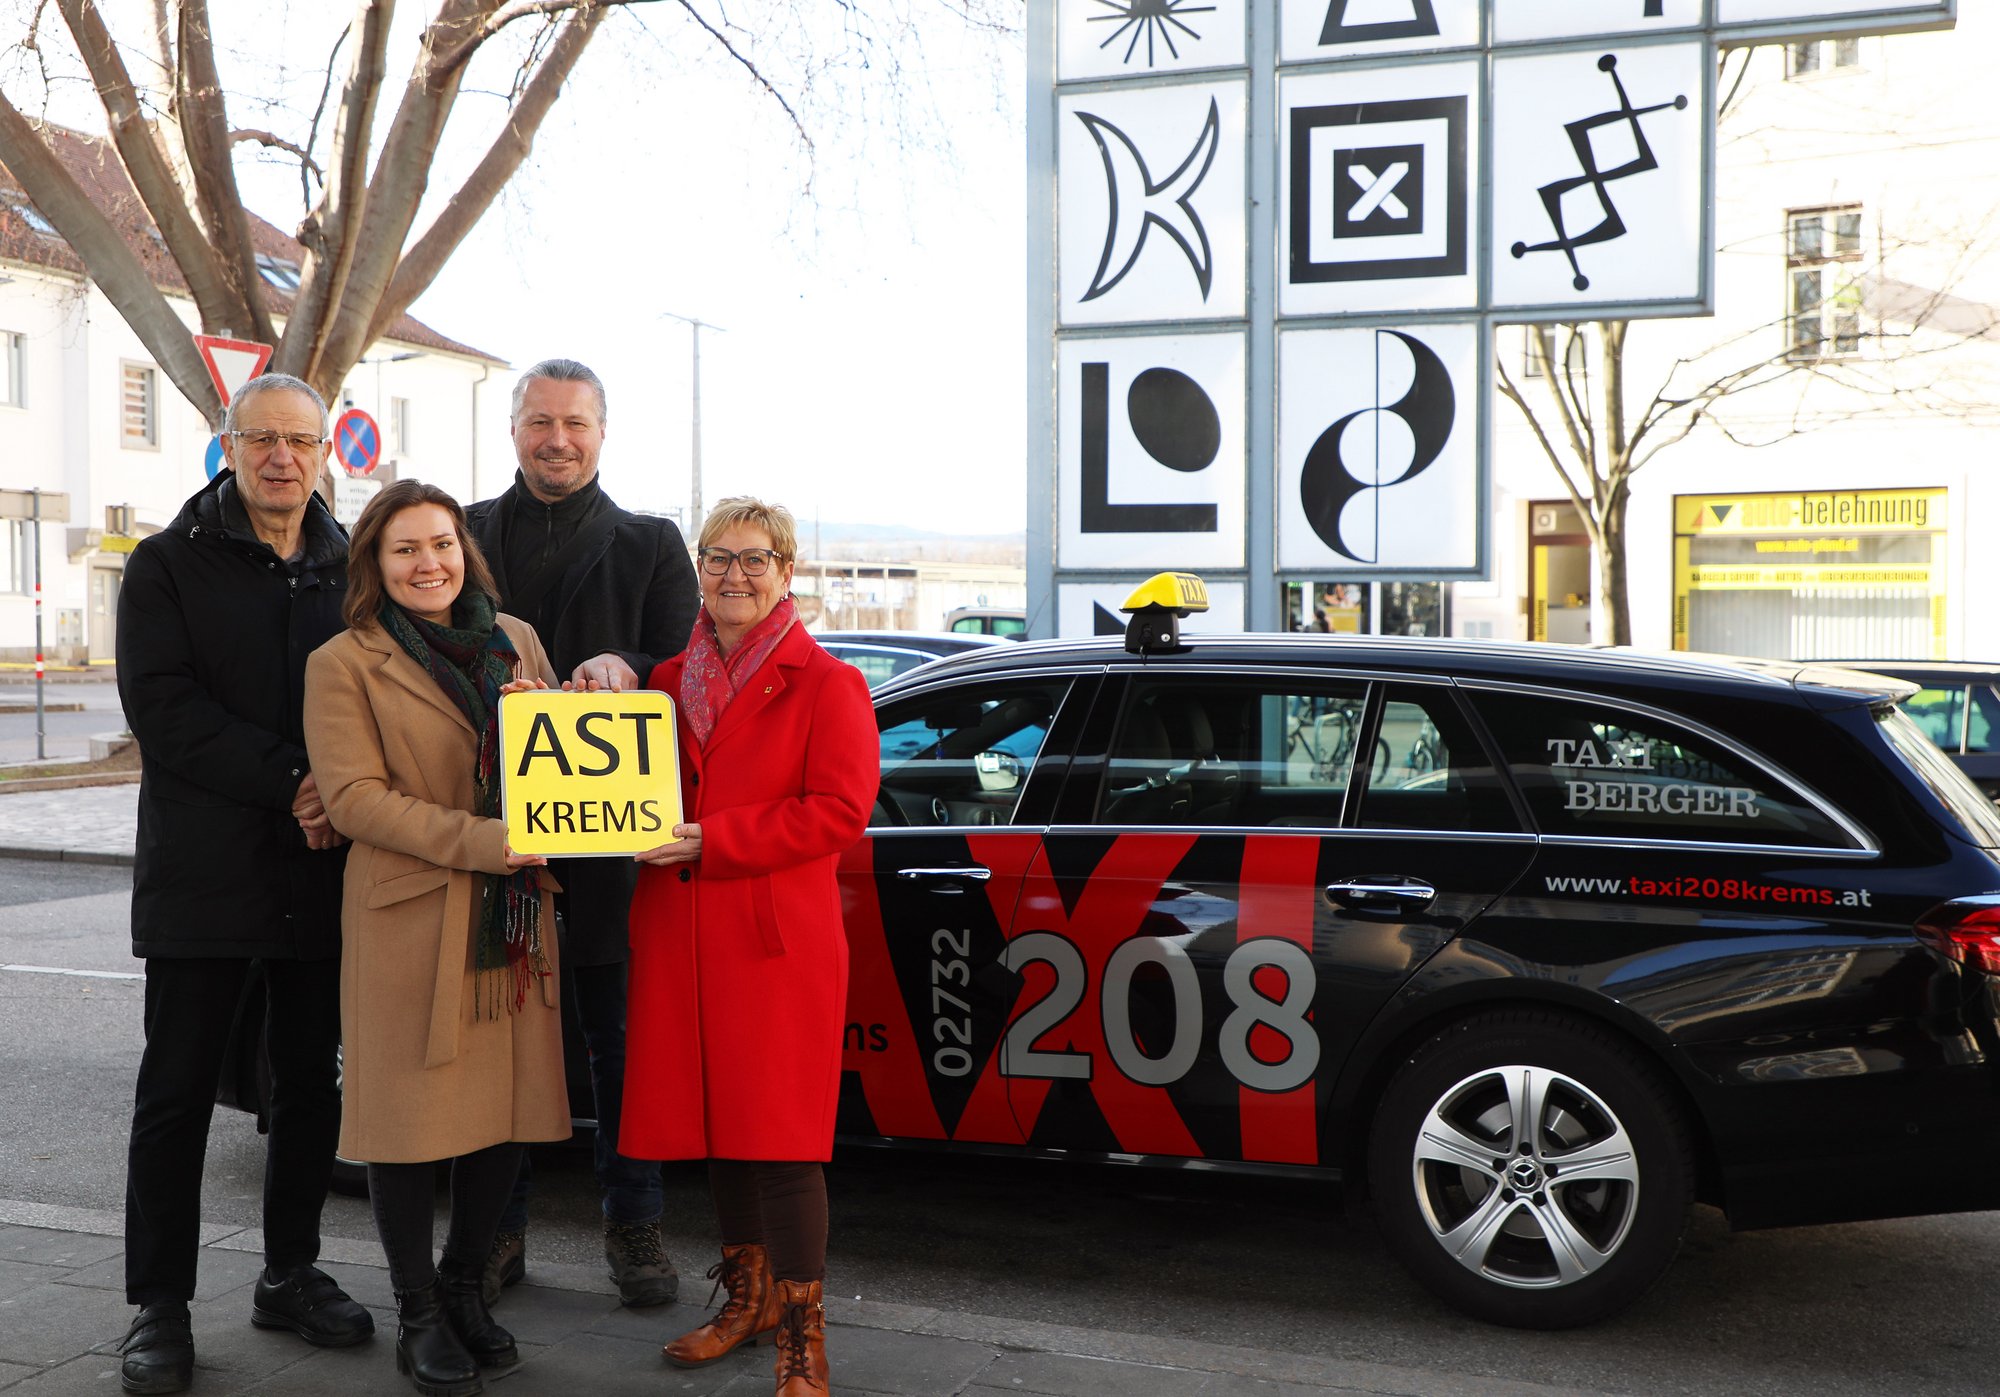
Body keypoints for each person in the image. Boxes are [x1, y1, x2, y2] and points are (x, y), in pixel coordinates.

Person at [115, 372, 372, 1395]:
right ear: (229, 446)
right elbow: (163, 708)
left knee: (308, 1085)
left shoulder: (353, 569)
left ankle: (290, 1269)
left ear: (324, 455)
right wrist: (293, 780)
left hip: (319, 871)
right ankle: (157, 1305)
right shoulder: (167, 563)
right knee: (174, 1092)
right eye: (261, 439)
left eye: (300, 442)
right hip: (204, 871)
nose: (281, 458)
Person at [303, 480, 570, 1397]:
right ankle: (417, 1307)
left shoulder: (517, 641)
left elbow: (562, 767)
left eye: (443, 544)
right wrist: (493, 843)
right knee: (410, 1126)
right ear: (374, 564)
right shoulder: (345, 660)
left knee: (505, 1112)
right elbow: (355, 799)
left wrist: (559, 718)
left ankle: (464, 1286)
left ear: (467, 551)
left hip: (513, 922)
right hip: (411, 914)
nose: (430, 564)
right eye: (406, 548)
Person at [622, 497, 877, 1397]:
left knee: (781, 1138)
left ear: (786, 571)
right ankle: (750, 1297)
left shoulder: (828, 683)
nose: (735, 574)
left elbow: (839, 815)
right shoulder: (662, 678)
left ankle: (804, 1337)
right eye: (719, 558)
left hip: (772, 943)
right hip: (681, 931)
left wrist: (714, 839)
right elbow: (610, 777)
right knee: (717, 1127)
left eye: (754, 559)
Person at [465, 358, 699, 1308]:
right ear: (513, 428)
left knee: (620, 1044)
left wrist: (626, 662)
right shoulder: (465, 532)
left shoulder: (650, 543)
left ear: (603, 433)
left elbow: (685, 664)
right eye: (538, 421)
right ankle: (497, 1228)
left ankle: (634, 1223)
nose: (555, 438)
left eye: (574, 423)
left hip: (608, 840)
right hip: (495, 834)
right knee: (503, 1039)